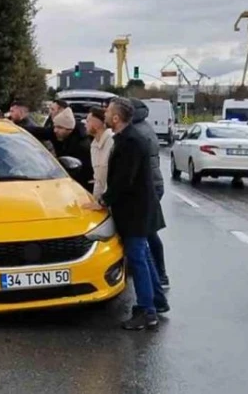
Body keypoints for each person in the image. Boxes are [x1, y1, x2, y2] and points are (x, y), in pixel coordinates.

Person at [100, 98, 168, 330]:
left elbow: (124, 181)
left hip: (134, 211)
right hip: (139, 208)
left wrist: (103, 200)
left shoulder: (130, 142)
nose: (105, 114)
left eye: (108, 112)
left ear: (117, 118)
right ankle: (157, 301)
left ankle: (147, 312)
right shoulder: (128, 138)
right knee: (144, 257)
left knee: (137, 259)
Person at [130, 98, 169, 289]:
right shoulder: (142, 126)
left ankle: (160, 275)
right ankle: (159, 274)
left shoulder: (138, 132)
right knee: (147, 231)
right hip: (153, 183)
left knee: (147, 232)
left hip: (150, 185)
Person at [50, 109, 93, 187]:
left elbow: (82, 172)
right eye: (55, 127)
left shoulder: (82, 146)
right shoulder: (64, 138)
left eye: (59, 127)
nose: (55, 130)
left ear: (69, 129)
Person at [87, 106, 113, 201]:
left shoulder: (112, 141)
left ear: (96, 124)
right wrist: (96, 201)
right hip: (103, 199)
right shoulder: (94, 145)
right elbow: (98, 179)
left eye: (88, 121)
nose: (85, 125)